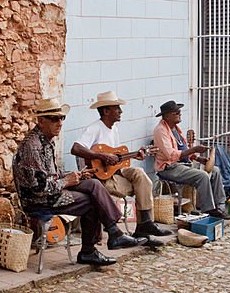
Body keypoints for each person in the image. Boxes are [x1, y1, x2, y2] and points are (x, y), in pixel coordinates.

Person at [13, 98, 141, 267]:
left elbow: (53, 175)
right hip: (39, 200)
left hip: (53, 191)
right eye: (54, 119)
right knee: (93, 201)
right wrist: (66, 181)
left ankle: (112, 233)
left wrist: (76, 175)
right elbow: (39, 187)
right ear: (41, 120)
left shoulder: (47, 141)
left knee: (94, 184)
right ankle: (93, 248)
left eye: (61, 118)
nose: (59, 123)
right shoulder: (33, 146)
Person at [70, 91, 172, 238]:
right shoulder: (94, 128)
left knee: (140, 174)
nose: (121, 111)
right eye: (117, 108)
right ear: (105, 111)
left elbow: (116, 159)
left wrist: (136, 154)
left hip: (114, 173)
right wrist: (101, 156)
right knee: (141, 186)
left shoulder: (114, 129)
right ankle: (143, 225)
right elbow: (75, 148)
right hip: (101, 179)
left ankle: (145, 223)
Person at [153, 100, 228, 219]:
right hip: (170, 167)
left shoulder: (176, 129)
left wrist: (198, 158)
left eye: (179, 111)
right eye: (176, 112)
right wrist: (194, 150)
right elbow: (171, 155)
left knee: (215, 171)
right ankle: (209, 209)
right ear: (167, 116)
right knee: (202, 176)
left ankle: (221, 204)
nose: (180, 113)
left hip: (183, 164)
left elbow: (183, 150)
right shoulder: (161, 131)